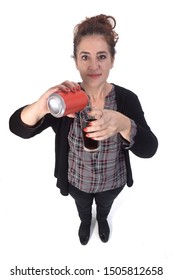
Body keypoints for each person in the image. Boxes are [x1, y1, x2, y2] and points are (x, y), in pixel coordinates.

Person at [9, 14, 158, 245]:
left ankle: (104, 218)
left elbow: (150, 149)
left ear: (112, 60)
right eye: (85, 57)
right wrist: (41, 106)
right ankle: (85, 222)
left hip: (113, 181)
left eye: (101, 56)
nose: (93, 66)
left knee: (105, 206)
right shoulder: (65, 99)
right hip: (77, 181)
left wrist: (125, 124)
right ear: (76, 61)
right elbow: (17, 127)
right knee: (82, 207)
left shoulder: (127, 99)